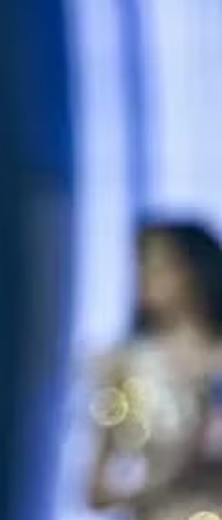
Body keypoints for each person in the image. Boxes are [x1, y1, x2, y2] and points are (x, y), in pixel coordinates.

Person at [87, 220, 222, 520]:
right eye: (142, 267)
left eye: (161, 266)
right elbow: (95, 490)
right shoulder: (126, 364)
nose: (146, 278)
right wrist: (169, 476)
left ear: (196, 270)